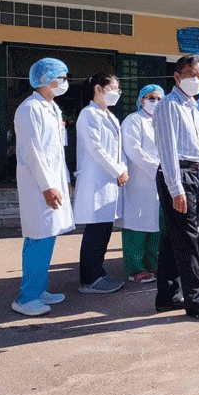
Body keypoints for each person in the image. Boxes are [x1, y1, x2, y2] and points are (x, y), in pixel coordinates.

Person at [152, 55, 199, 320]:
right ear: (177, 76)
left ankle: (167, 295)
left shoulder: (193, 107)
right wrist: (176, 188)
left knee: (173, 237)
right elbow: (167, 149)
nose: (196, 80)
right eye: (191, 74)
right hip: (177, 174)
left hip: (193, 172)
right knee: (188, 238)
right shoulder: (168, 106)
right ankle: (196, 299)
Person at [12, 58, 75, 316]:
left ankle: (39, 289)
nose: (65, 81)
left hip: (53, 181)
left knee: (47, 237)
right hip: (38, 186)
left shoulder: (52, 108)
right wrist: (48, 186)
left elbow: (56, 150)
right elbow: (33, 152)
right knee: (38, 238)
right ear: (45, 79)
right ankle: (26, 298)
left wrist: (62, 181)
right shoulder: (29, 109)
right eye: (61, 77)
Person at [73, 73, 127, 294]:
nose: (116, 93)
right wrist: (118, 170)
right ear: (98, 88)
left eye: (118, 89)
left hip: (109, 182)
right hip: (95, 181)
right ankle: (89, 280)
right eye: (112, 88)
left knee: (104, 230)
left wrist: (122, 168)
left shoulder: (110, 116)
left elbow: (118, 150)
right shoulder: (88, 114)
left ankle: (98, 272)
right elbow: (96, 149)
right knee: (95, 231)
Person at [120, 84, 164, 284]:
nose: (156, 102)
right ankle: (135, 269)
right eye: (151, 98)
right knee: (137, 226)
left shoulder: (163, 122)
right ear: (141, 101)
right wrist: (157, 169)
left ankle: (152, 264)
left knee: (156, 225)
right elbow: (133, 149)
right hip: (139, 181)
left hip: (161, 181)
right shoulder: (133, 120)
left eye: (160, 98)